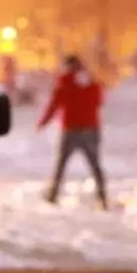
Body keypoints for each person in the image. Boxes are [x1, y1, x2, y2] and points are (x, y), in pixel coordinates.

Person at [37, 54, 107, 209]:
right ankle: (102, 197)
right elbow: (99, 101)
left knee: (61, 164)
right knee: (95, 164)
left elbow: (54, 105)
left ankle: (53, 195)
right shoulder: (91, 81)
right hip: (91, 128)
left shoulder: (64, 82)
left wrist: (42, 123)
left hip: (70, 129)